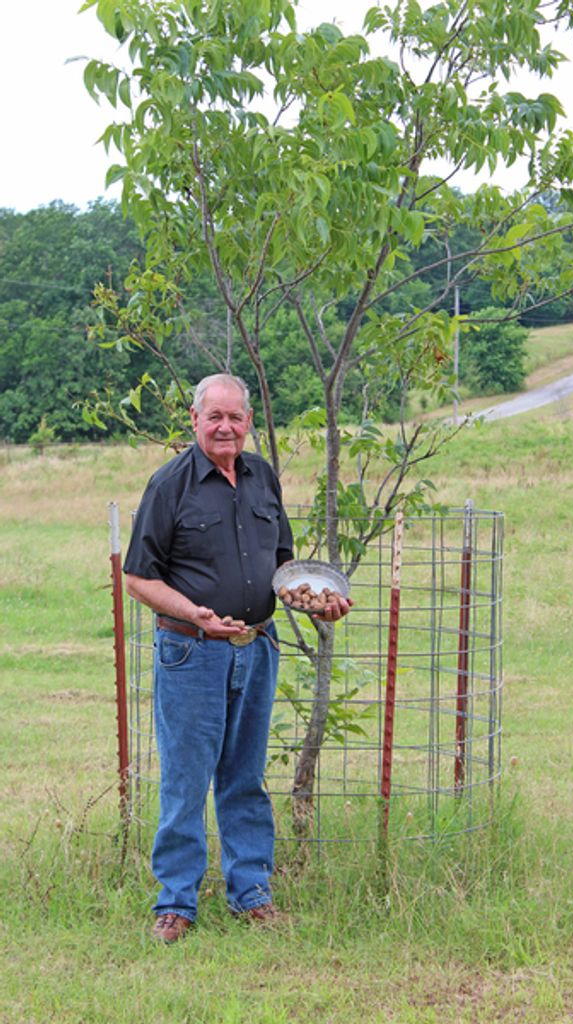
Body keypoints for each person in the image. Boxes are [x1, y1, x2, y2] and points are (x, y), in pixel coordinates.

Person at [123, 372, 350, 943]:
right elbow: (136, 578)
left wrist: (315, 601)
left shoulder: (261, 477)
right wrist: (197, 614)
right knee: (185, 779)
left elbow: (283, 567)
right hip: (190, 651)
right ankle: (175, 902)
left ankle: (251, 892)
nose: (226, 427)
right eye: (214, 416)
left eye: (236, 417)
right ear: (195, 421)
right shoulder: (169, 485)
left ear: (248, 422)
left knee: (245, 777)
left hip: (258, 648)